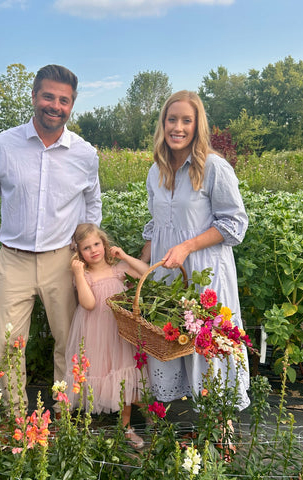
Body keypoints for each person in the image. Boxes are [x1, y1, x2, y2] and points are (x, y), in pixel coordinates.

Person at [0, 65, 102, 417]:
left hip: (63, 260)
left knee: (69, 340)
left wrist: (86, 247)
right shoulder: (2, 146)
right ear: (34, 97)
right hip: (13, 259)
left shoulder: (84, 153)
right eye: (48, 96)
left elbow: (93, 202)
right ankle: (17, 417)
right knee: (8, 344)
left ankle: (64, 411)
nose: (55, 105)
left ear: (71, 106)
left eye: (64, 100)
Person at [140, 90, 250, 411]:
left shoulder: (213, 167)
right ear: (163, 124)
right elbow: (156, 227)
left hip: (206, 275)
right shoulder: (155, 171)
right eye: (172, 119)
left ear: (197, 125)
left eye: (186, 120)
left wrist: (187, 246)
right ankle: (177, 437)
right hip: (167, 276)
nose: (178, 127)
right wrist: (134, 266)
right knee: (172, 342)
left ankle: (221, 428)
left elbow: (234, 224)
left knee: (209, 345)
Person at [63, 223, 150, 449]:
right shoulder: (85, 276)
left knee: (125, 374)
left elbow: (146, 273)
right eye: (86, 248)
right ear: (79, 253)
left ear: (104, 244)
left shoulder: (118, 269)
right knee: (106, 372)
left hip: (119, 331)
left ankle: (131, 423)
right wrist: (78, 273)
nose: (93, 250)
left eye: (96, 244)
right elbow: (89, 303)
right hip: (96, 331)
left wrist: (125, 256)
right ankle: (125, 429)